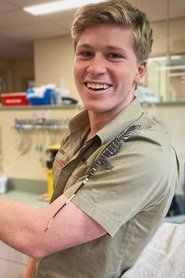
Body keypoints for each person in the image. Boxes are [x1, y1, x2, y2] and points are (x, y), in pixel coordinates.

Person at [0, 0, 179, 277]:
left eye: (113, 55)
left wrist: (37, 238)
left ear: (140, 71)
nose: (95, 68)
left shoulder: (146, 152)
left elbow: (37, 235)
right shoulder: (80, 131)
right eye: (85, 53)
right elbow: (45, 240)